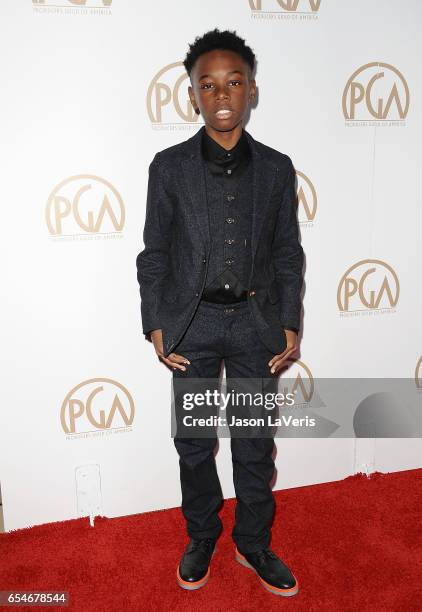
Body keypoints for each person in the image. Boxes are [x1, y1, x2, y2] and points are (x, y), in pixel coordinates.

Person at [136, 28, 304, 597]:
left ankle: (253, 543)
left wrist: (291, 320)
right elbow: (154, 252)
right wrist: (157, 322)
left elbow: (287, 252)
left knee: (255, 439)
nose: (222, 94)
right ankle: (202, 534)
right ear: (193, 96)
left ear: (252, 90)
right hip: (193, 327)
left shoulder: (278, 169)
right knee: (195, 441)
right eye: (207, 85)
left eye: (234, 82)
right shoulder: (169, 167)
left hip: (257, 326)